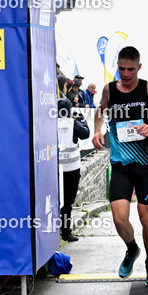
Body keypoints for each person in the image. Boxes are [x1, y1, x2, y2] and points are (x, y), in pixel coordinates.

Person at [92, 46, 148, 286]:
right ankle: (131, 249)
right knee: (119, 219)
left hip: (145, 165)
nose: (125, 74)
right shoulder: (109, 89)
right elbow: (100, 110)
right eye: (121, 69)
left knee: (145, 216)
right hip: (120, 165)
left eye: (130, 69)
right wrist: (97, 129)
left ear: (139, 67)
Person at [57, 98, 89, 242]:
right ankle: (66, 232)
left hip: (54, 169)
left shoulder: (50, 123)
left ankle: (51, 233)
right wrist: (82, 119)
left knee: (53, 201)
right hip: (71, 169)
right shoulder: (73, 123)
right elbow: (85, 134)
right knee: (67, 202)